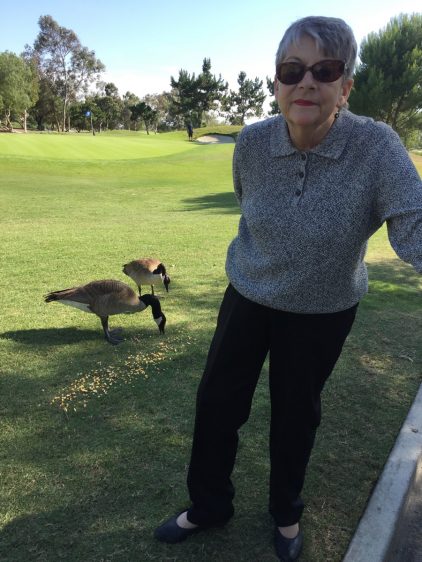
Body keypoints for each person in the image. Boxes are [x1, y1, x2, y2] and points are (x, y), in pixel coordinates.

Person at [154, 16, 422, 561]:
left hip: (322, 310)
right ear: (276, 81)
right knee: (216, 405)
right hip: (248, 295)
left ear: (345, 86)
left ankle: (285, 515)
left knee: (296, 413)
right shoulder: (251, 144)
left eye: (324, 70)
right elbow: (246, 204)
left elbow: (413, 221)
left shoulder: (376, 147)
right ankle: (208, 506)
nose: (306, 82)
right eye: (292, 70)